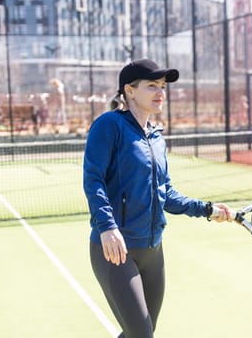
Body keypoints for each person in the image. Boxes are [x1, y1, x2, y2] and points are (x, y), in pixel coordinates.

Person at [83, 58, 232, 338]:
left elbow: (166, 194)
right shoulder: (108, 126)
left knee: (140, 332)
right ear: (129, 90)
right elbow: (93, 180)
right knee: (142, 334)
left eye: (162, 86)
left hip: (153, 250)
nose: (160, 92)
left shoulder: (156, 137)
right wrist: (107, 227)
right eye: (152, 85)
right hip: (116, 250)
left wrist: (207, 209)